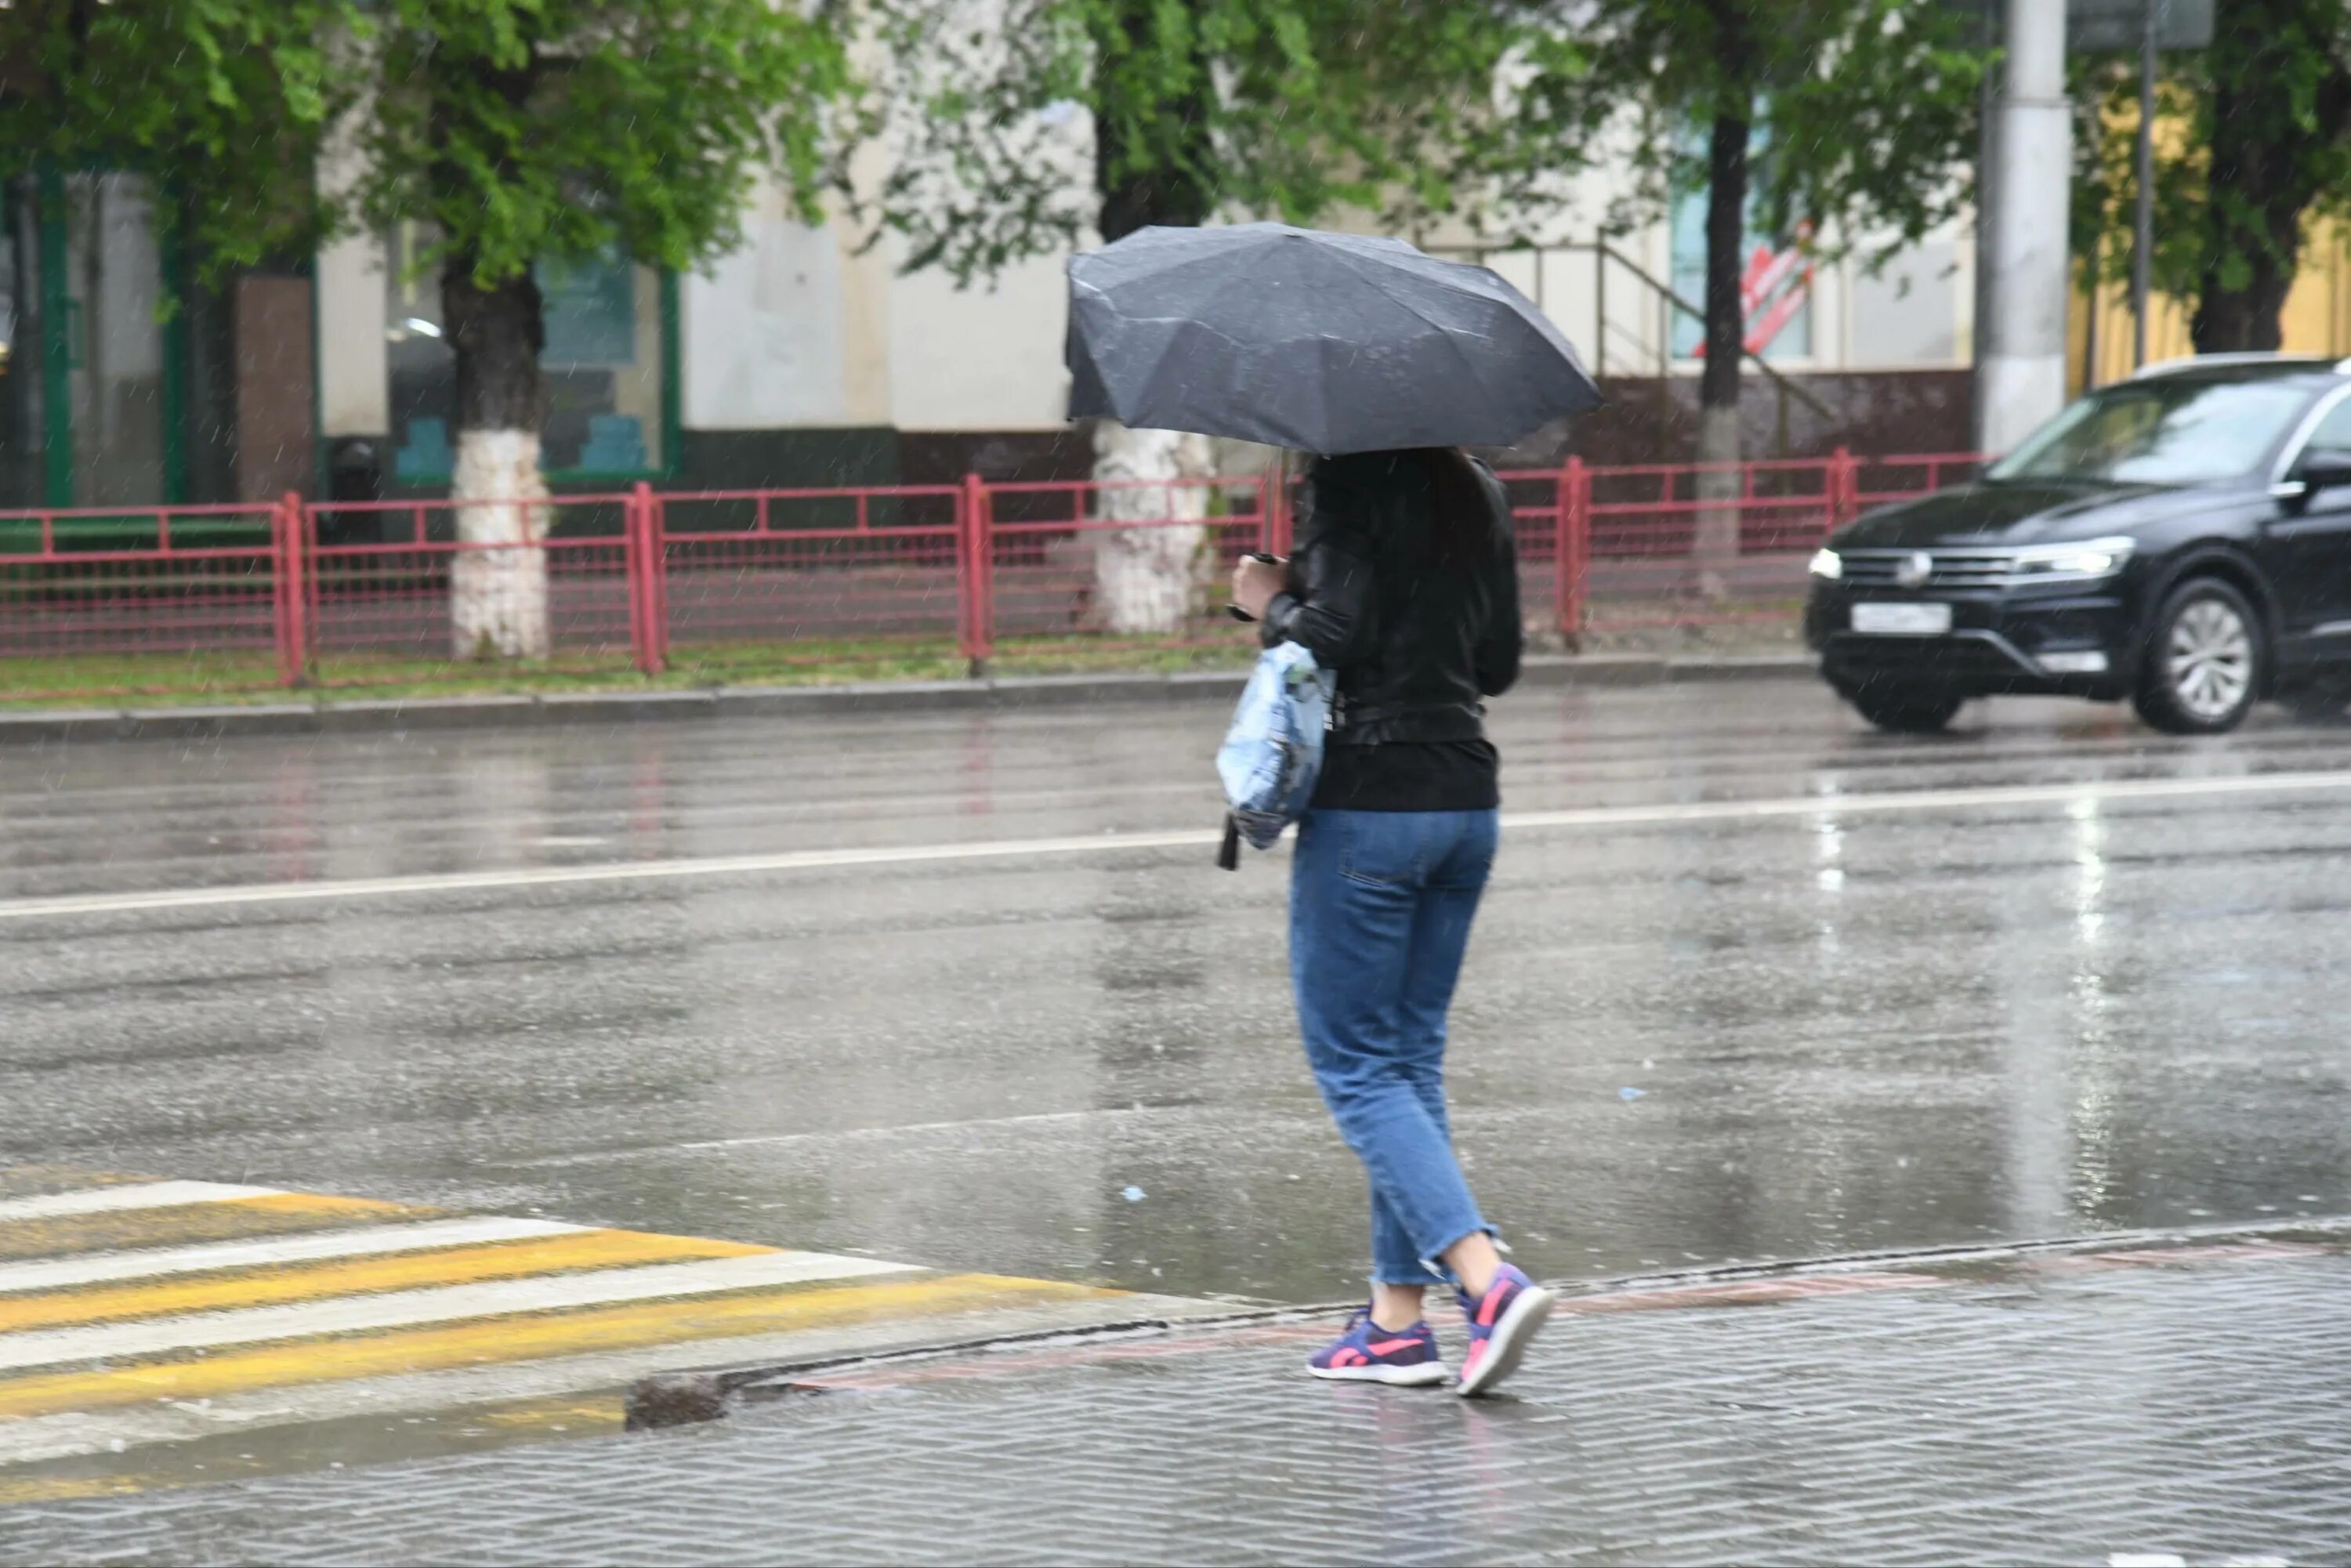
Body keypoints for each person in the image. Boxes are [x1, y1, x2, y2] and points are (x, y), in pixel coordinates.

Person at [1230, 446, 1552, 1399]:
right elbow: (1500, 660)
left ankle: (1486, 1285)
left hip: (1374, 804)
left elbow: (1332, 629)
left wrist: (1269, 602)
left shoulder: (1347, 478)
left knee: (1357, 1066)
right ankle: (1393, 1324)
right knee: (1405, 1065)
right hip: (1466, 799)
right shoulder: (1475, 484)